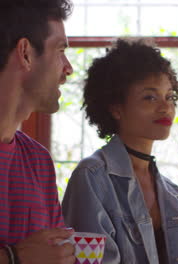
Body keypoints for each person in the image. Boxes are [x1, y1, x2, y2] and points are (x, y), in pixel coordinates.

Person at [61, 38, 178, 264]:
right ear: (116, 108)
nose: (165, 107)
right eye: (150, 97)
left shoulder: (171, 193)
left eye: (170, 96)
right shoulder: (92, 177)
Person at [0, 0, 76, 263]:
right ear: (25, 53)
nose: (69, 69)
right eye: (61, 50)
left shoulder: (38, 161)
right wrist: (13, 257)